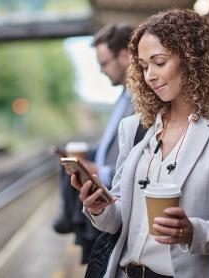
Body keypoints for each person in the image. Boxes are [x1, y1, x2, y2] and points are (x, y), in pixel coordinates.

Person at [71, 9, 209, 278]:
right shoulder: (133, 128)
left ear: (193, 59)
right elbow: (120, 219)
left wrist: (194, 232)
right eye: (143, 66)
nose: (149, 76)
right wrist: (100, 208)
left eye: (159, 62)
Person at [53, 24, 135, 263]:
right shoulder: (122, 97)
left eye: (104, 63)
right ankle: (68, 217)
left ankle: (67, 218)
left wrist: (101, 171)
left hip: (116, 201)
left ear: (124, 56)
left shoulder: (139, 101)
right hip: (106, 205)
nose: (101, 71)